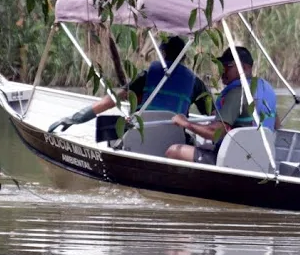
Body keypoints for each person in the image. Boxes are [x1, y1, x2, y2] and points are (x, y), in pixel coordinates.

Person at [48, 35, 211, 133]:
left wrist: (75, 119)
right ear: (183, 57)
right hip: (174, 138)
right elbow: (213, 115)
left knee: (114, 125)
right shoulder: (196, 83)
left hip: (141, 133)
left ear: (163, 53)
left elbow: (111, 100)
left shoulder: (147, 75)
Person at [164, 46, 278, 164]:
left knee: (173, 151)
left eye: (227, 67)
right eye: (221, 66)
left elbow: (214, 133)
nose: (222, 71)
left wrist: (186, 123)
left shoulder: (236, 93)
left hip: (236, 160)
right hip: (261, 159)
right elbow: (277, 124)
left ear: (244, 68)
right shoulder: (266, 88)